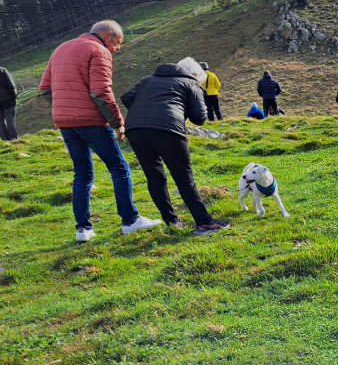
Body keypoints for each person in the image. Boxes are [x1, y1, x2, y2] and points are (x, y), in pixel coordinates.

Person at [37, 20, 160, 241]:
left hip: (65, 123)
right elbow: (101, 92)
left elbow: (44, 89)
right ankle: (130, 220)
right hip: (92, 122)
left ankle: (83, 229)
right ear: (108, 36)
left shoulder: (60, 49)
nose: (117, 48)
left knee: (82, 173)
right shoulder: (98, 51)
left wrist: (66, 108)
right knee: (119, 168)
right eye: (118, 43)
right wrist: (118, 123)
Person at [121, 57, 229, 235]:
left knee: (154, 177)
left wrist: (146, 110)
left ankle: (172, 222)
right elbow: (199, 118)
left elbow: (126, 97)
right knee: (184, 177)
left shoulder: (147, 79)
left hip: (135, 129)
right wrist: (180, 110)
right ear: (195, 75)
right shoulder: (191, 83)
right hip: (168, 129)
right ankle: (204, 223)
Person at [0, 65, 16, 139]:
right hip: (8, 100)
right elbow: (10, 84)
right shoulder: (2, 70)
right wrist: (14, 96)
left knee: (0, 123)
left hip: (6, 100)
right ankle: (13, 138)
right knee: (10, 120)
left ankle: (4, 139)